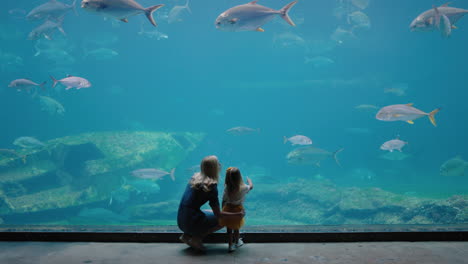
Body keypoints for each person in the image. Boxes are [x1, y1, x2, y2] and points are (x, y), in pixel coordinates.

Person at [177, 155, 245, 251]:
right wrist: (237, 214)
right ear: (214, 168)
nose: (220, 164)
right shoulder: (211, 185)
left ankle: (186, 236)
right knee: (225, 220)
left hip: (181, 220)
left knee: (209, 211)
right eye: (218, 163)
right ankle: (197, 238)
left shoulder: (195, 178)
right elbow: (219, 214)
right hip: (190, 222)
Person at [219, 167, 254, 252]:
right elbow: (251, 187)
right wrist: (249, 181)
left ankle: (230, 245)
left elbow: (224, 199)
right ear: (240, 177)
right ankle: (237, 241)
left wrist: (222, 209)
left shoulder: (227, 188)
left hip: (227, 209)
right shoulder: (244, 188)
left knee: (229, 229)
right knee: (236, 227)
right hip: (238, 210)